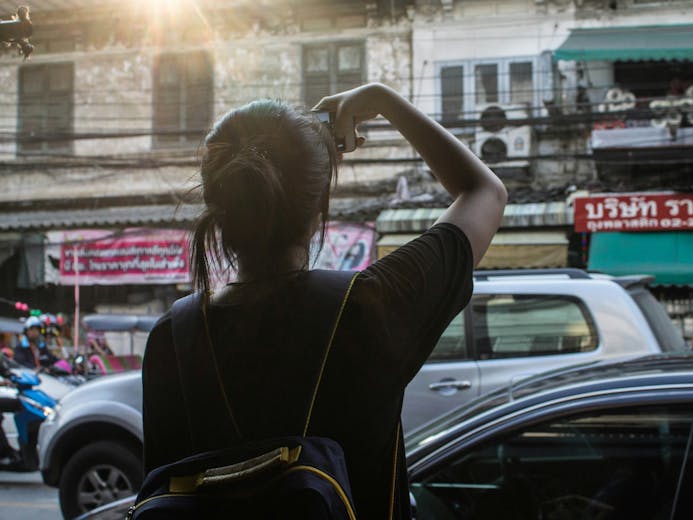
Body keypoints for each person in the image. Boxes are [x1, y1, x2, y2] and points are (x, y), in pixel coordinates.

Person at [142, 82, 507, 518]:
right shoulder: (369, 308)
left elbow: (162, 486)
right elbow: (485, 191)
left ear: (218, 213)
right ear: (317, 215)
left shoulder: (171, 337)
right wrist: (382, 99)